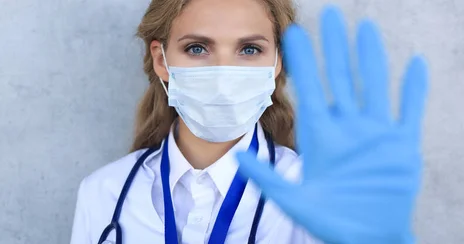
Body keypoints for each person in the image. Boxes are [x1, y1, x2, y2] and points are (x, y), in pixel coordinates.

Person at [70, 0, 428, 243]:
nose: (224, 75)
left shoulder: (318, 192)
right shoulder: (104, 193)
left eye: (249, 49)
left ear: (276, 64)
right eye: (197, 48)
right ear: (161, 59)